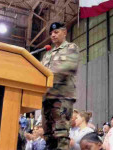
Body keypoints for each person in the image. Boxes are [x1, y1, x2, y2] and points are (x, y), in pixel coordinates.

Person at [41, 22, 79, 150]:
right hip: (46, 99)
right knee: (48, 136)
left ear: (64, 32)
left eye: (56, 32)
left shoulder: (71, 48)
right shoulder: (47, 55)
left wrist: (47, 78)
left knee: (61, 136)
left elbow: (69, 67)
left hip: (62, 97)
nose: (53, 35)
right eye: (51, 33)